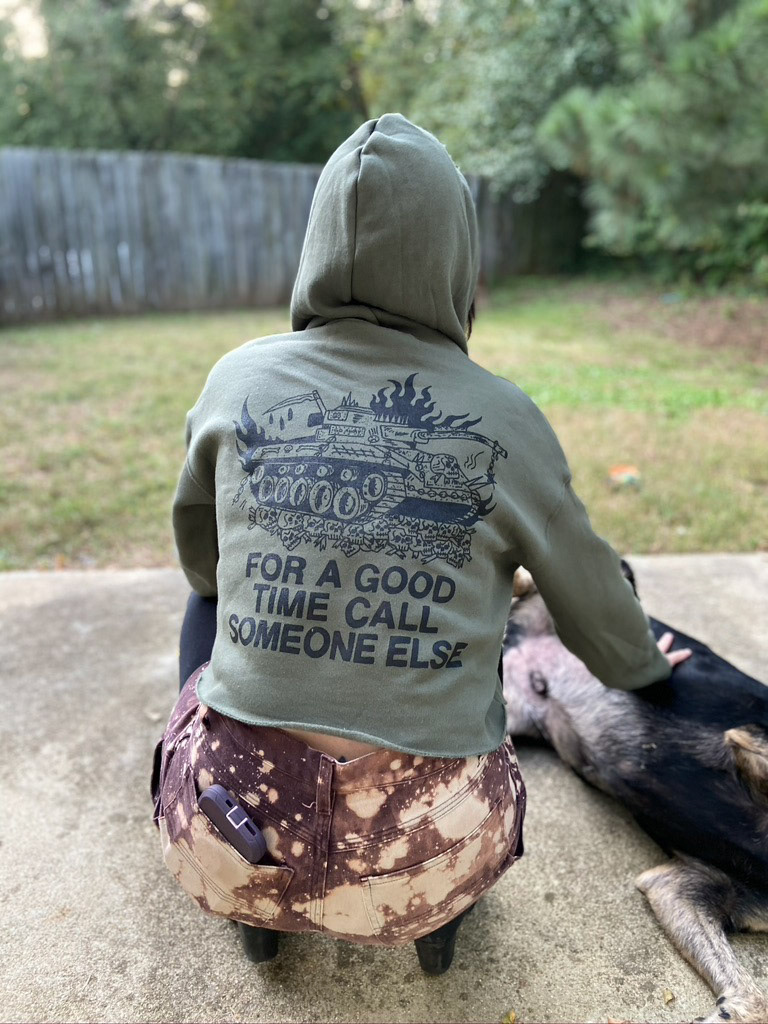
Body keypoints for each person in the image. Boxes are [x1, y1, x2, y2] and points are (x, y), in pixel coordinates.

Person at [151, 113, 688, 973]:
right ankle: (437, 927)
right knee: (468, 703)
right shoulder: (507, 417)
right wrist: (646, 669)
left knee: (205, 596)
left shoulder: (236, 380)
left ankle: (260, 907)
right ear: (455, 261)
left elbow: (202, 562)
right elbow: (597, 611)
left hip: (229, 829)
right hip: (430, 853)